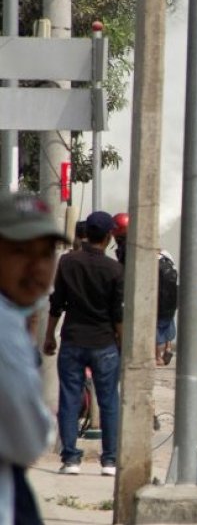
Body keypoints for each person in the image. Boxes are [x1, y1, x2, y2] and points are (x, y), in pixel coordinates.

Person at [0, 192, 64, 525]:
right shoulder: (5, 330)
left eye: (46, 253)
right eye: (20, 251)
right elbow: (28, 440)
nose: (37, 267)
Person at [44, 211, 123, 477]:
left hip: (73, 340)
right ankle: (110, 460)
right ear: (109, 236)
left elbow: (57, 304)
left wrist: (48, 336)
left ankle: (70, 459)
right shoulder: (114, 269)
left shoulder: (67, 263)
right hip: (104, 343)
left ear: (86, 233)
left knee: (69, 400)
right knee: (109, 400)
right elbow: (118, 314)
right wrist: (121, 342)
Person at [156, 250, 178, 366]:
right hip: (171, 298)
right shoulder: (166, 255)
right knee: (169, 322)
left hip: (159, 299)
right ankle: (168, 348)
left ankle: (158, 357)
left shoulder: (151, 259)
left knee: (155, 326)